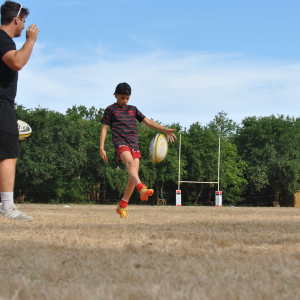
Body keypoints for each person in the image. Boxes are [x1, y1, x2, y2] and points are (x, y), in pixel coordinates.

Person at [100, 82, 176, 218]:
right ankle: (142, 188)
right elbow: (104, 128)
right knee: (130, 165)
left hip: (134, 143)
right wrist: (102, 148)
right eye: (122, 98)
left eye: (127, 98)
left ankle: (122, 206)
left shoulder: (133, 109)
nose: (125, 101)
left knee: (132, 177)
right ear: (115, 95)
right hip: (120, 142)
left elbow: (147, 121)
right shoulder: (110, 110)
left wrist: (165, 129)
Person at [0, 1, 39, 220]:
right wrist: (31, 41)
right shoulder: (3, 39)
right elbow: (17, 62)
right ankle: (7, 207)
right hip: (1, 103)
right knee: (8, 154)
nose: (24, 27)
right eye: (23, 21)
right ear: (16, 19)